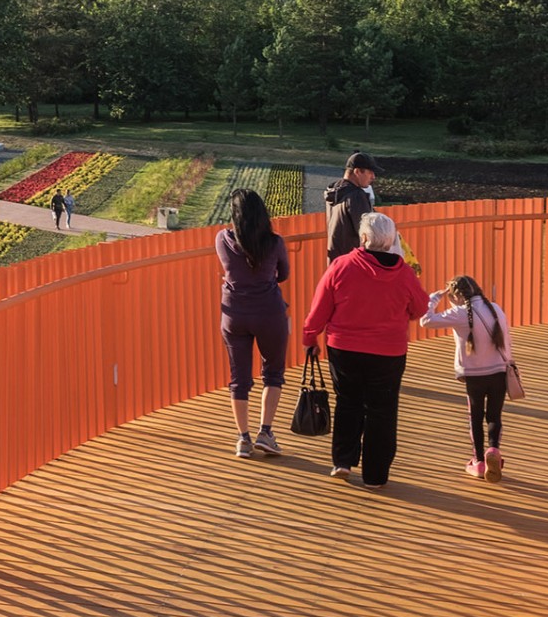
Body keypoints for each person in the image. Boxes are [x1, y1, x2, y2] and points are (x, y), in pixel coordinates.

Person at [303, 211, 430, 489]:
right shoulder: (404, 274)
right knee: (382, 411)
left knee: (348, 402)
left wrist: (310, 337)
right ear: (392, 240)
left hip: (344, 349)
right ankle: (375, 475)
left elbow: (320, 306)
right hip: (388, 352)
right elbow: (420, 308)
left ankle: (343, 461)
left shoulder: (341, 266)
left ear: (363, 238)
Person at [216, 188, 290, 459]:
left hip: (234, 314)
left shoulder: (223, 239)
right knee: (273, 373)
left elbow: (231, 268)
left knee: (239, 378)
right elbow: (283, 274)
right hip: (269, 312)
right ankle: (265, 433)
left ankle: (243, 439)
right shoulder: (275, 242)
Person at [421, 275, 513, 482]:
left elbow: (425, 320)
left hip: (474, 376)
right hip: (499, 372)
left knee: (475, 417)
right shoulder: (495, 309)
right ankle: (494, 450)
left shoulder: (459, 313)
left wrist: (435, 298)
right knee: (494, 416)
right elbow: (507, 340)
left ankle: (479, 462)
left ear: (456, 296)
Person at [324, 152, 381, 261]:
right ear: (357, 171)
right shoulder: (356, 196)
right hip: (354, 262)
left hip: (336, 261)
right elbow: (368, 234)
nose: (373, 177)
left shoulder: (335, 191)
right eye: (370, 172)